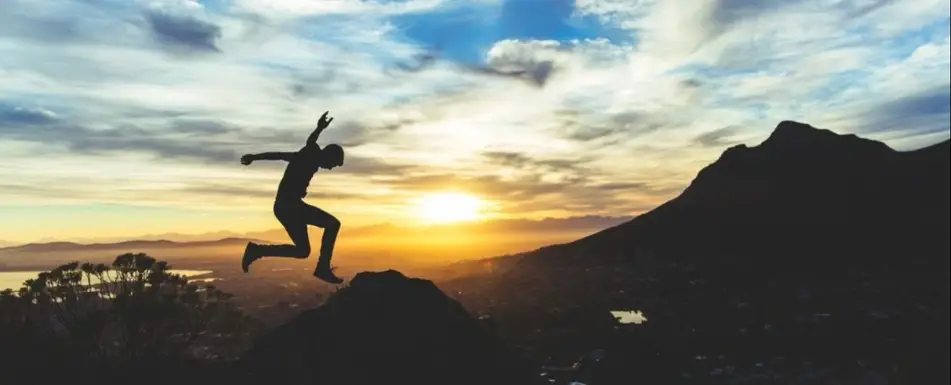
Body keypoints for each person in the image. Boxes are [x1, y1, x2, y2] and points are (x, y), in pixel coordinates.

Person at [239, 111, 345, 284]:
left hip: (288, 207)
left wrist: (254, 157)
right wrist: (319, 128)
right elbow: (303, 145)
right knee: (333, 224)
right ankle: (322, 268)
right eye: (333, 164)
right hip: (289, 207)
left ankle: (256, 250)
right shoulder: (310, 154)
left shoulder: (310, 159)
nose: (331, 168)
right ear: (329, 156)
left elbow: (283, 154)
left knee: (303, 251)